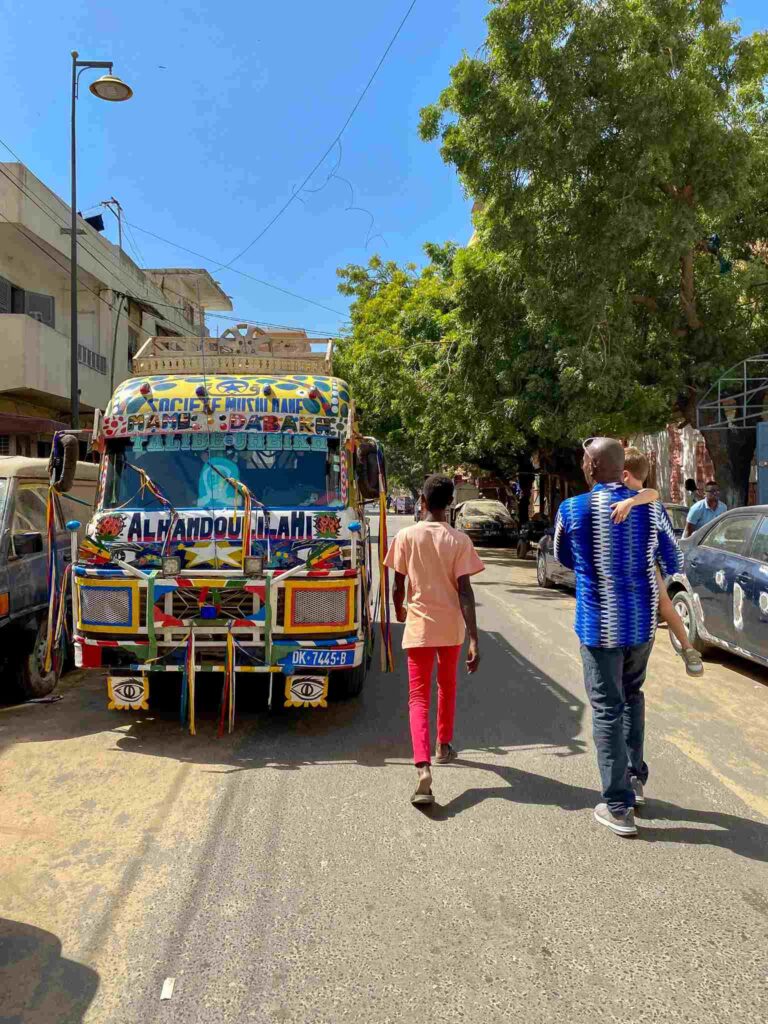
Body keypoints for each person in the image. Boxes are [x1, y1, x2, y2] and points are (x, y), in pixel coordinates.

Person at [554, 437, 683, 837]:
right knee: (632, 697)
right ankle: (635, 780)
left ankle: (618, 806)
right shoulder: (652, 508)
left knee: (607, 708)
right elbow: (674, 560)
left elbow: (562, 556)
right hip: (642, 625)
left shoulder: (572, 509)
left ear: (592, 468)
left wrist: (599, 568)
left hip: (598, 626)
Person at [384, 474, 484, 807]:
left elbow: (398, 585)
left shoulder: (406, 536)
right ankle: (443, 746)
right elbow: (465, 592)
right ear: (451, 503)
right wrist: (474, 640)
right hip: (451, 629)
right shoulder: (459, 540)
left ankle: (422, 766)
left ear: (422, 503)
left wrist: (400, 610)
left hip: (419, 627)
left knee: (417, 698)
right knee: (447, 686)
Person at [609, 447, 704, 677]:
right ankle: (688, 649)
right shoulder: (653, 507)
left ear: (624, 475)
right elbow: (652, 495)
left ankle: (689, 649)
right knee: (665, 604)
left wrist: (630, 501)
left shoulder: (610, 501)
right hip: (648, 571)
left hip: (618, 583)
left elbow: (650, 493)